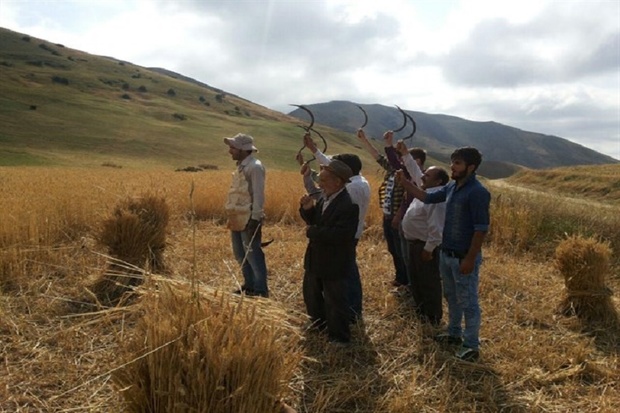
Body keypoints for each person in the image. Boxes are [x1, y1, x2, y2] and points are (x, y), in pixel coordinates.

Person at [398, 147, 491, 361]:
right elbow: (426, 197)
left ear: (471, 167)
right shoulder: (451, 187)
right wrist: (405, 183)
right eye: (452, 162)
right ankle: (453, 333)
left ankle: (471, 345)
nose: (452, 167)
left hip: (462, 256)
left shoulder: (477, 192)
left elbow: (481, 228)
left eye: (457, 163)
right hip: (446, 254)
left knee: (468, 301)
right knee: (451, 296)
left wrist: (469, 258)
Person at [299, 132, 371, 322]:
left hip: (343, 239)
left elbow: (324, 194)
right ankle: (345, 312)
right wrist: (314, 150)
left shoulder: (352, 189)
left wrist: (312, 231)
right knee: (345, 274)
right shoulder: (353, 183)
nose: (321, 184)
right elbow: (325, 191)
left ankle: (351, 312)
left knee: (344, 278)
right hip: (341, 238)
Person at [299, 160, 359, 344]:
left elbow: (342, 235)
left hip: (334, 261)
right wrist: (307, 209)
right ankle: (319, 324)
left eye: (323, 180)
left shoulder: (349, 205)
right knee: (312, 293)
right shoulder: (326, 197)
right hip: (316, 258)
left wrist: (313, 232)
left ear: (338, 182)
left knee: (335, 300)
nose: (319, 183)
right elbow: (315, 220)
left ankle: (339, 337)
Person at [357, 129, 410, 287]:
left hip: (399, 218)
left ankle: (407, 281)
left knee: (402, 251)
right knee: (394, 249)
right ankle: (401, 279)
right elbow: (377, 157)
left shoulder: (408, 174)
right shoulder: (392, 171)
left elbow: (406, 198)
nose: (392, 160)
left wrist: (389, 144)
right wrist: (364, 140)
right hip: (388, 215)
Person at [397, 165, 449, 325]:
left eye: (427, 175)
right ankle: (421, 311)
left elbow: (437, 228)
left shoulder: (436, 199)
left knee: (428, 281)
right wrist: (405, 156)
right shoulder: (426, 192)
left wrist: (428, 249)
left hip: (424, 246)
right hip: (415, 244)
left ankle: (432, 317)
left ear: (438, 181)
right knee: (417, 279)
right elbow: (415, 173)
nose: (422, 177)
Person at [223, 133, 269, 297]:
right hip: (237, 216)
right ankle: (249, 285)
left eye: (233, 147)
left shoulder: (255, 167)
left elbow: (258, 194)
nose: (230, 151)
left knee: (253, 254)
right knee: (239, 252)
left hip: (249, 217)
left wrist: (255, 218)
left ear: (243, 149)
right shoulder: (242, 166)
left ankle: (260, 290)